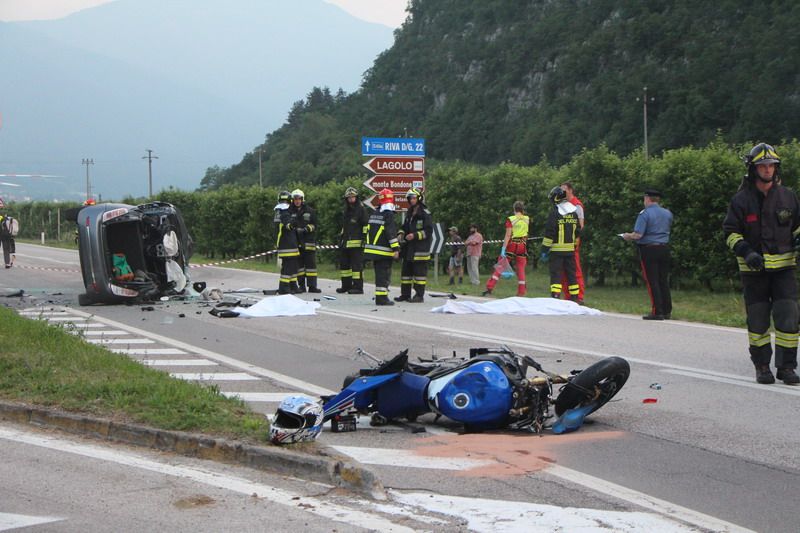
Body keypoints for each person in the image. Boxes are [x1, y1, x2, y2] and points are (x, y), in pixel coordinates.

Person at [723, 143, 800, 385]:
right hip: (753, 271)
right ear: (753, 169)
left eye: (771, 165)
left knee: (789, 318)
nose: (767, 169)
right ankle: (762, 366)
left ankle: (787, 367)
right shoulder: (741, 200)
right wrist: (746, 252)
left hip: (784, 270)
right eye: (763, 166)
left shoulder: (788, 196)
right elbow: (730, 232)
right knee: (758, 321)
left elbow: (797, 227)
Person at [622, 189, 673, 320]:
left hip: (649, 249)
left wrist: (627, 236)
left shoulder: (644, 214)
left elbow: (638, 234)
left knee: (652, 281)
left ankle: (657, 311)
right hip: (664, 248)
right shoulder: (667, 213)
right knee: (663, 280)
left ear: (647, 199)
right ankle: (667, 310)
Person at [540, 186, 580, 301]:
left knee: (556, 274)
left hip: (557, 251)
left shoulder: (555, 213)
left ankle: (555, 297)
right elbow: (577, 231)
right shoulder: (574, 212)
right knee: (571, 275)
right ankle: (575, 298)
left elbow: (550, 233)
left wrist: (544, 250)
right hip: (570, 251)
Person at [483, 201, 529, 297]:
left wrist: (503, 248)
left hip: (512, 245)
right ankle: (521, 292)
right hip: (523, 245)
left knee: (501, 265)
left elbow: (508, 235)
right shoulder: (526, 219)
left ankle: (489, 288)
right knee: (521, 268)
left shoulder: (511, 219)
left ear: (514, 209)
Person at [395, 188, 432, 302]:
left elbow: (428, 231)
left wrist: (415, 235)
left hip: (420, 250)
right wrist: (401, 233)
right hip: (409, 249)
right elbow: (404, 227)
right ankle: (405, 294)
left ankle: (419, 296)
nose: (412, 200)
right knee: (406, 273)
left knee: (419, 275)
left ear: (419, 199)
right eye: (410, 198)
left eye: (414, 198)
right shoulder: (409, 212)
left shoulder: (425, 214)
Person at [365, 188, 400, 306]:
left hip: (373, 250)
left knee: (379, 275)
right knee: (383, 276)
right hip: (384, 251)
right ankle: (382, 298)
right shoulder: (388, 214)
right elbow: (390, 233)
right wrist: (396, 249)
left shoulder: (375, 213)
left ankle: (380, 296)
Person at [336, 187, 370, 294]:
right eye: (349, 197)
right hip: (346, 243)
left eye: (353, 197)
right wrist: (341, 238)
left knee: (356, 267)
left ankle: (358, 287)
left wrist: (364, 239)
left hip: (357, 243)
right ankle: (346, 286)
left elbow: (366, 225)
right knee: (344, 265)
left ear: (356, 197)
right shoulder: (346, 210)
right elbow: (345, 226)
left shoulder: (361, 209)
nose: (351, 199)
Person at [290, 189, 321, 293]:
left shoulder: (310, 211)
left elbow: (315, 225)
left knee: (311, 266)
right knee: (299, 266)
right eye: (295, 199)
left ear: (302, 199)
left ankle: (312, 286)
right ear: (293, 200)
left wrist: (307, 229)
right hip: (297, 242)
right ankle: (301, 286)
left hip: (309, 242)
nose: (297, 201)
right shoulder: (290, 211)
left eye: (299, 199)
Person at [560, 182, 585, 304]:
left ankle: (579, 297)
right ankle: (568, 296)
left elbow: (581, 225)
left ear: (570, 190)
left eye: (564, 190)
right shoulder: (562, 204)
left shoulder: (577, 205)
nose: (561, 193)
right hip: (562, 242)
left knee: (575, 269)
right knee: (564, 270)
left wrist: (575, 240)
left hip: (573, 242)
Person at [274, 190, 301, 294]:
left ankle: (293, 285)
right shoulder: (284, 211)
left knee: (293, 266)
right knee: (288, 267)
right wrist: (294, 223)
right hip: (287, 244)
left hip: (289, 243)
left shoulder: (279, 211)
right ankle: (284, 287)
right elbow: (287, 225)